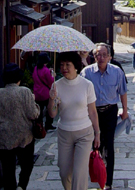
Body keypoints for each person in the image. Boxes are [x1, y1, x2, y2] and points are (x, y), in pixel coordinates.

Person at [47, 51, 100, 190]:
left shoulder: (87, 85)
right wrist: (51, 98)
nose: (64, 68)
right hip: (64, 133)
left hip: (84, 132)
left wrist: (97, 132)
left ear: (75, 66)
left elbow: (92, 111)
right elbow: (52, 114)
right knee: (64, 172)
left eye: (67, 65)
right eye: (62, 65)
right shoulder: (56, 86)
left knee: (79, 172)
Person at [81, 43, 128, 190]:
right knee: (95, 144)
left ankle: (108, 182)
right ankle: (97, 175)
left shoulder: (117, 72)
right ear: (94, 57)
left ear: (109, 56)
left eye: (103, 55)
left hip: (110, 111)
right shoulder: (86, 73)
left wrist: (125, 110)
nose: (100, 58)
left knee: (109, 144)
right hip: (92, 112)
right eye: (97, 55)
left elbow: (123, 92)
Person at [0, 63, 40, 190]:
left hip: (5, 137)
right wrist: (35, 102)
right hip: (25, 136)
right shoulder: (25, 92)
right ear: (19, 78)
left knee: (8, 169)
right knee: (27, 165)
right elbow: (34, 114)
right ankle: (21, 186)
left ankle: (11, 187)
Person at [32, 52, 55, 130]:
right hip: (45, 93)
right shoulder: (45, 70)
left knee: (39, 110)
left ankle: (39, 125)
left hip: (37, 93)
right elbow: (50, 81)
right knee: (49, 109)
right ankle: (48, 124)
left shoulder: (35, 68)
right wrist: (53, 75)